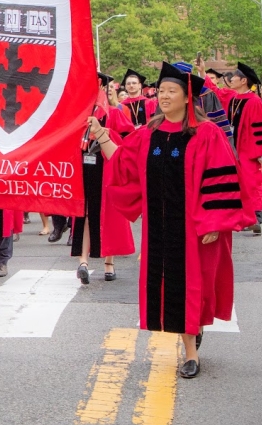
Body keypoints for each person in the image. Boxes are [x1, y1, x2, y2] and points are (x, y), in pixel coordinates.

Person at [88, 62, 247, 379]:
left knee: (192, 288)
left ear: (188, 97)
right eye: (161, 91)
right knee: (171, 288)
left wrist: (214, 225)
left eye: (171, 91)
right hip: (159, 229)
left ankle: (191, 350)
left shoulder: (208, 135)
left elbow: (220, 183)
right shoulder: (149, 134)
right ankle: (189, 344)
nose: (164, 97)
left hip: (196, 227)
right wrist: (100, 133)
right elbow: (122, 163)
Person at [73, 75, 136, 283]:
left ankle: (109, 262)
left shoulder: (115, 113)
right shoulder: (78, 113)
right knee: (84, 213)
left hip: (108, 166)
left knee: (108, 214)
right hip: (84, 166)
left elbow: (128, 140)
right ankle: (83, 261)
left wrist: (105, 133)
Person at [223, 64, 262, 234]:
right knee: (237, 184)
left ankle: (255, 218)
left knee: (252, 183)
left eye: (235, 77)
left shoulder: (255, 102)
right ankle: (242, 217)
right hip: (235, 148)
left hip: (250, 151)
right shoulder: (235, 99)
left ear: (244, 80)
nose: (231, 80)